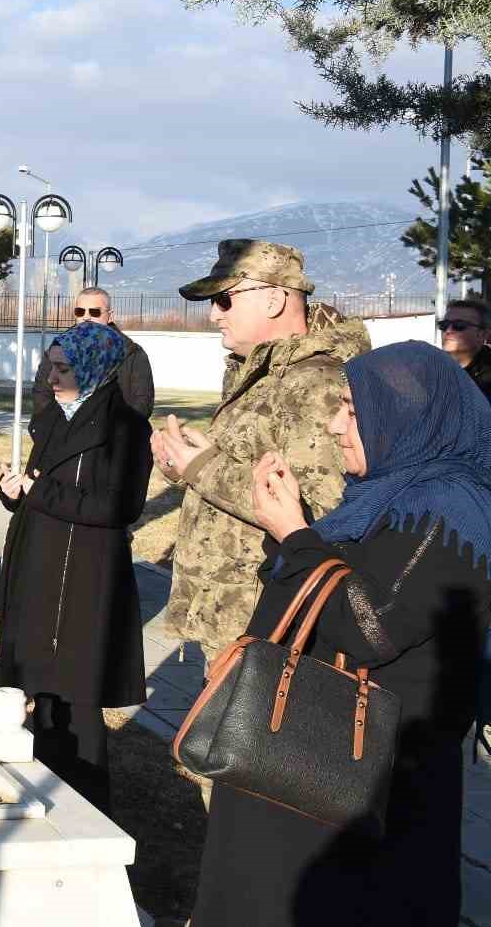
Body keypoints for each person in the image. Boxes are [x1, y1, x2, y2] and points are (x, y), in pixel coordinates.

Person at [186, 342, 491, 927]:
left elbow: (371, 625)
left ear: (406, 418)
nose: (335, 424)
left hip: (368, 781)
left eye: (352, 409)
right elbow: (337, 580)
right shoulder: (385, 496)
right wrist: (292, 532)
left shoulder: (449, 507)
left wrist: (293, 532)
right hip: (312, 763)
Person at [156, 240, 369, 655]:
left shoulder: (316, 382)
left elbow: (319, 510)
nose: (214, 314)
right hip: (232, 614)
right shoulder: (261, 371)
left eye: (224, 300)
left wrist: (201, 466)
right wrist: (186, 462)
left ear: (274, 299)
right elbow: (245, 466)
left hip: (269, 625)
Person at [0, 322, 151, 812]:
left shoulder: (124, 428)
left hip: (82, 583)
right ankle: (39, 802)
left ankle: (86, 813)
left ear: (92, 368)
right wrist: (13, 491)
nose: (52, 377)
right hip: (39, 574)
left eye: (63, 368)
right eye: (50, 367)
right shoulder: (52, 418)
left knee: (77, 709)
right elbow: (43, 490)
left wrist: (38, 492)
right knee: (37, 699)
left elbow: (116, 507)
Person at [31, 286, 155, 417]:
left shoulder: (132, 353)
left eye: (94, 312)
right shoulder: (58, 350)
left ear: (110, 316)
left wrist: (114, 432)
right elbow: (42, 393)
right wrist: (60, 429)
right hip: (66, 434)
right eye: (80, 311)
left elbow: (142, 403)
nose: (86, 317)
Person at [438, 298, 491, 400]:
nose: (448, 331)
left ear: (483, 334)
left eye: (459, 325)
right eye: (444, 325)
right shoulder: (431, 367)